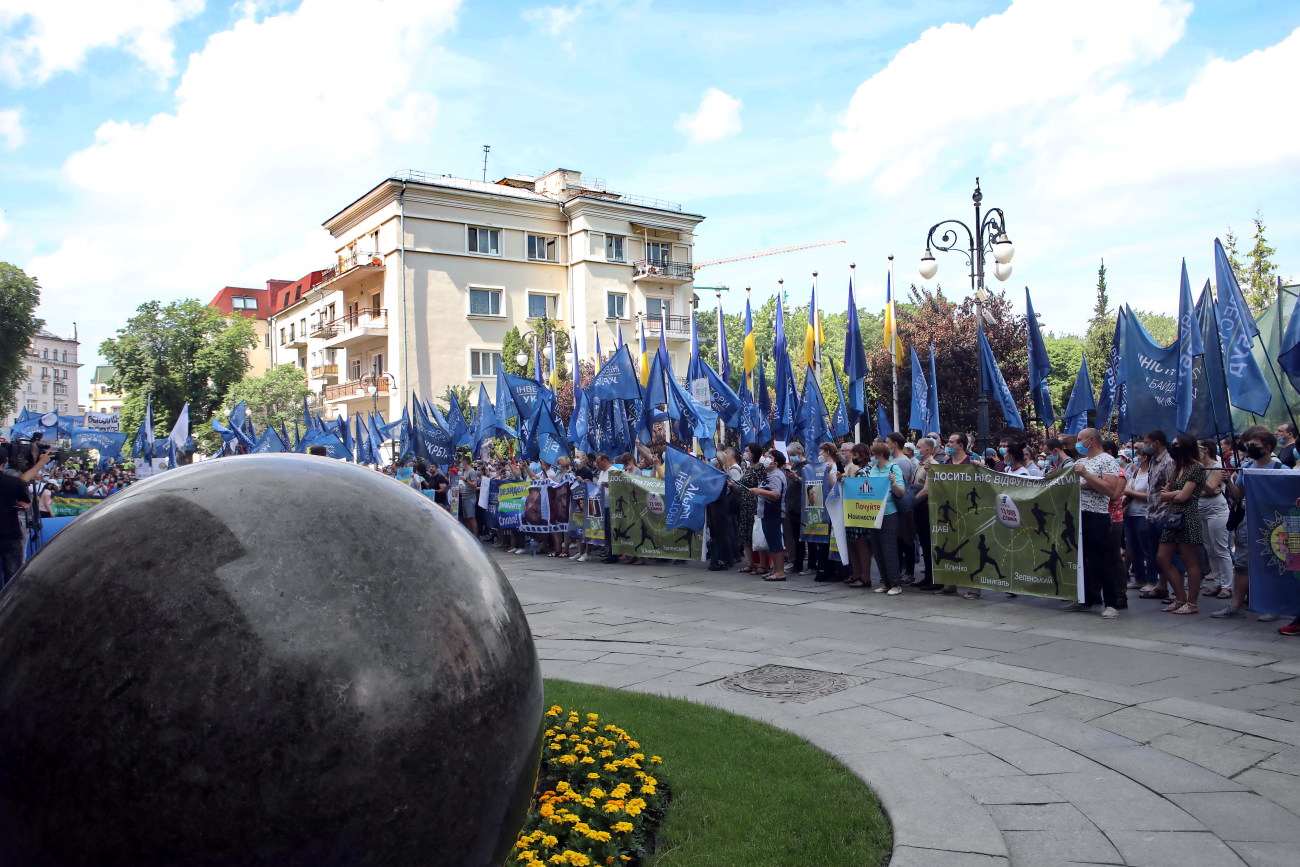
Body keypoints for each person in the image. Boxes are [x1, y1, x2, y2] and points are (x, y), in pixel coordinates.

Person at [1213, 426, 1285, 621]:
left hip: (1275, 525)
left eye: (1254, 445)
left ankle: (1274, 605)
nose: (1249, 447)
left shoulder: (1281, 470)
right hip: (1248, 521)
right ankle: (1236, 604)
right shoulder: (1247, 468)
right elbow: (1239, 495)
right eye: (1248, 444)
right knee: (1243, 564)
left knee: (1274, 564)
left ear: (1268, 447)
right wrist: (1228, 483)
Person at [1061, 428, 1126, 618]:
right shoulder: (1080, 462)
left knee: (1101, 559)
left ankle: (1112, 603)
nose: (1077, 443)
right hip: (1078, 514)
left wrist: (1087, 477)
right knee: (1081, 560)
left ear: (1091, 440)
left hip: (1097, 515)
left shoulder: (1107, 460)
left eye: (1080, 439)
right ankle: (1086, 599)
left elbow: (1110, 489)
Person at [1154, 433, 1208, 615]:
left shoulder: (1195, 468)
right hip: (1173, 516)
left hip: (1187, 517)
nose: (1173, 447)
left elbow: (1183, 497)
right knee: (1162, 557)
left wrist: (1173, 494)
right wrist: (1175, 494)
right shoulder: (1178, 468)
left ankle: (1191, 603)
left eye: (1176, 444)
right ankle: (1180, 597)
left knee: (1189, 560)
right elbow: (1163, 495)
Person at [866, 442, 907, 596]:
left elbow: (901, 492)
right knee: (877, 548)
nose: (872, 457)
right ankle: (886, 581)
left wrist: (893, 483)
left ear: (880, 454)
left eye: (874, 453)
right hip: (873, 512)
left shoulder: (893, 468)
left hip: (888, 512)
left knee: (889, 548)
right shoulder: (873, 469)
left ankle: (896, 583)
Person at [1196, 439, 1232, 601]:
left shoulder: (1216, 466)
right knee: (1209, 548)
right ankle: (1218, 582)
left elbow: (1212, 487)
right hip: (1201, 510)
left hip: (1217, 511)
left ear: (1205, 450)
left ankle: (1227, 586)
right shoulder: (1197, 467)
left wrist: (1197, 474)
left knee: (1221, 548)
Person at [748, 449, 789, 581]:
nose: (765, 459)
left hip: (773, 512)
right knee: (771, 542)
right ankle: (775, 570)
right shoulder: (769, 474)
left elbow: (776, 494)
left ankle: (780, 572)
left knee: (776, 542)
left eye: (769, 457)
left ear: (775, 463)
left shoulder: (776, 475)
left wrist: (758, 491)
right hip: (766, 512)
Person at [1124, 447, 1158, 595]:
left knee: (1148, 548)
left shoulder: (1152, 473)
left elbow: (1151, 496)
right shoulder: (1136, 472)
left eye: (1138, 453)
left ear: (1145, 457)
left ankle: (1152, 580)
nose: (1136, 456)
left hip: (1144, 513)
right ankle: (1139, 578)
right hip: (1130, 513)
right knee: (1133, 548)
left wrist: (1130, 492)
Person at [844, 443, 874, 588]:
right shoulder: (861, 470)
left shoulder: (866, 471)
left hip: (860, 512)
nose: (853, 458)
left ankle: (865, 576)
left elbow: (860, 490)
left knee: (861, 545)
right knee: (851, 544)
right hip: (851, 511)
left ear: (862, 456)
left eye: (855, 455)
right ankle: (856, 573)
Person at [912, 437, 938, 590]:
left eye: (918, 447)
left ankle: (933, 578)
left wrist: (912, 501)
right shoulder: (921, 464)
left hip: (927, 508)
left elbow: (927, 489)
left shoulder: (933, 465)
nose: (916, 449)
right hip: (919, 508)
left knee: (929, 544)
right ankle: (928, 576)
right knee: (924, 544)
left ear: (927, 450)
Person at [736, 444, 766, 574]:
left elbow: (762, 486)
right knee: (745, 533)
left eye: (747, 451)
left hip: (754, 504)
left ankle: (763, 564)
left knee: (757, 533)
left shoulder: (760, 468)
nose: (744, 453)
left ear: (753, 453)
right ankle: (750, 563)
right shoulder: (748, 468)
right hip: (745, 504)